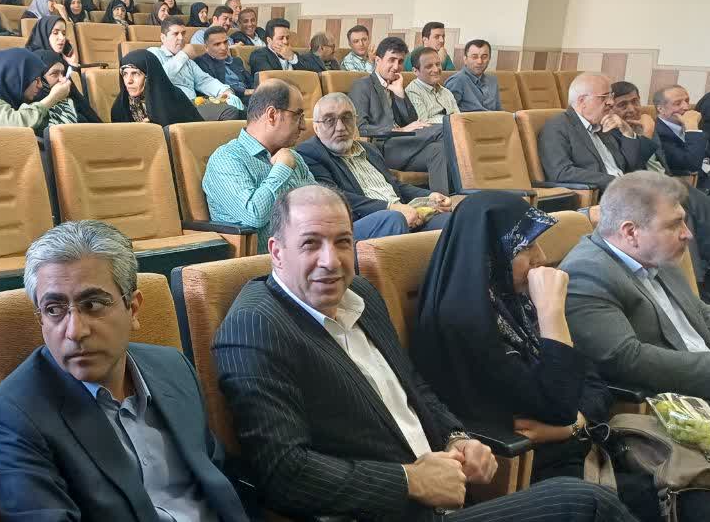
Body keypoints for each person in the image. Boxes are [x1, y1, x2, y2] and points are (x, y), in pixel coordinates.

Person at [213, 184, 635, 521]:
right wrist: (409, 481)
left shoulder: (359, 293)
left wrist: (457, 437)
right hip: (388, 509)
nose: (332, 261)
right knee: (586, 504)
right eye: (310, 244)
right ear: (276, 252)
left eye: (343, 242)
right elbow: (284, 473)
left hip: (447, 497)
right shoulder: (256, 327)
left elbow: (413, 386)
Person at [414, 192, 710, 522]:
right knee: (703, 505)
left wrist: (573, 425)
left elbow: (595, 387)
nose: (541, 257)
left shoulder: (515, 302)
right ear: (488, 255)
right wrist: (552, 313)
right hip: (541, 476)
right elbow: (558, 404)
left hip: (589, 447)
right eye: (525, 248)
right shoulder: (465, 323)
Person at [0, 220, 250, 522]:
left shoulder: (174, 367)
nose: (75, 331)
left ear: (133, 309)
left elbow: (218, 478)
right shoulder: (16, 413)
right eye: (54, 309)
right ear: (41, 319)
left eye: (93, 304)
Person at [561, 171, 710, 496]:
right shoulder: (586, 274)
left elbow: (704, 314)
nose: (688, 234)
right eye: (674, 224)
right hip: (671, 417)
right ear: (630, 232)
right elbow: (628, 360)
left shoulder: (655, 255)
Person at [542, 76, 710, 305]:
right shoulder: (558, 126)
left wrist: (627, 133)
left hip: (624, 187)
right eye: (604, 97)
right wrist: (616, 182)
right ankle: (698, 279)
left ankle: (701, 277)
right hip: (604, 194)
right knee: (674, 199)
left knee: (675, 197)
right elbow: (561, 172)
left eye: (610, 97)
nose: (610, 103)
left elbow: (630, 163)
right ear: (581, 100)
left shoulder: (603, 124)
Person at [298, 93, 453, 240]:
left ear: (355, 121)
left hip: (404, 214)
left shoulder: (370, 149)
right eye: (329, 120)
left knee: (452, 221)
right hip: (362, 224)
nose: (340, 127)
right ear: (316, 127)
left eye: (347, 118)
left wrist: (429, 196)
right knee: (394, 219)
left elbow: (395, 185)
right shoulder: (310, 153)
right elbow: (334, 197)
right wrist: (391, 208)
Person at [202, 80, 315, 253]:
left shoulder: (294, 157)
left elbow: (320, 204)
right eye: (297, 116)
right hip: (265, 263)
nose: (304, 126)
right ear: (272, 115)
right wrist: (282, 169)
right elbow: (254, 215)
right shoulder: (227, 159)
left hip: (311, 251)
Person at [349, 37, 448, 193]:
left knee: (439, 150)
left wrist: (400, 94)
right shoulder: (362, 86)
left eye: (400, 61)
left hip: (405, 146)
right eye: (392, 60)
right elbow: (360, 128)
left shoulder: (396, 84)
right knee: (445, 129)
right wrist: (399, 130)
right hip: (383, 148)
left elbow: (412, 121)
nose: (396, 67)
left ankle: (442, 200)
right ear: (378, 60)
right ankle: (468, 185)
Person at [652, 85, 710, 201]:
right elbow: (692, 164)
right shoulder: (658, 134)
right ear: (660, 109)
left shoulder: (687, 123)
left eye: (687, 101)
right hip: (699, 190)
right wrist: (692, 129)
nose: (686, 107)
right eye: (677, 103)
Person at [149, 18, 244, 120]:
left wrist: (225, 91)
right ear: (163, 38)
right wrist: (183, 55)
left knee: (242, 110)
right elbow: (159, 78)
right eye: (175, 34)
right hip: (170, 106)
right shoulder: (153, 53)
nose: (181, 38)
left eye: (183, 33)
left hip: (193, 105)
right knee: (229, 111)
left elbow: (205, 81)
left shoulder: (188, 62)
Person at [110, 49, 203, 126]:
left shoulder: (174, 99)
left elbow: (196, 133)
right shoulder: (120, 107)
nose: (129, 81)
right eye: (125, 74)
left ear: (149, 76)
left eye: (135, 73)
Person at [33, 51, 100, 134]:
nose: (63, 79)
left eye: (63, 73)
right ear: (39, 78)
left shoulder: (72, 103)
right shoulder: (30, 113)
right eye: (54, 74)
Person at [248, 18, 326, 76]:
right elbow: (271, 79)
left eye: (287, 38)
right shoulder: (259, 55)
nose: (285, 42)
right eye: (281, 38)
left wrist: (292, 58)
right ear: (269, 40)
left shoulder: (293, 55)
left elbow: (315, 73)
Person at [193, 25, 254, 98]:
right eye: (217, 44)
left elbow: (251, 82)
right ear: (206, 47)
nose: (224, 47)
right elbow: (214, 88)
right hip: (226, 99)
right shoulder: (201, 63)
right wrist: (245, 92)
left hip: (250, 97)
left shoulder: (236, 61)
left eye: (225, 42)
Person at [404, 47, 460, 123]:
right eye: (429, 66)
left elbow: (459, 118)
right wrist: (450, 120)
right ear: (415, 71)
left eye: (438, 64)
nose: (436, 70)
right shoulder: (412, 91)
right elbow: (423, 123)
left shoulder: (446, 92)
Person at [444, 39, 500, 112]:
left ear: (489, 59)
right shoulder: (457, 81)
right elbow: (447, 113)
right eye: (474, 57)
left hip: (494, 118)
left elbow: (499, 111)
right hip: (469, 119)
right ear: (465, 59)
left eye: (484, 57)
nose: (479, 61)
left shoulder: (493, 80)